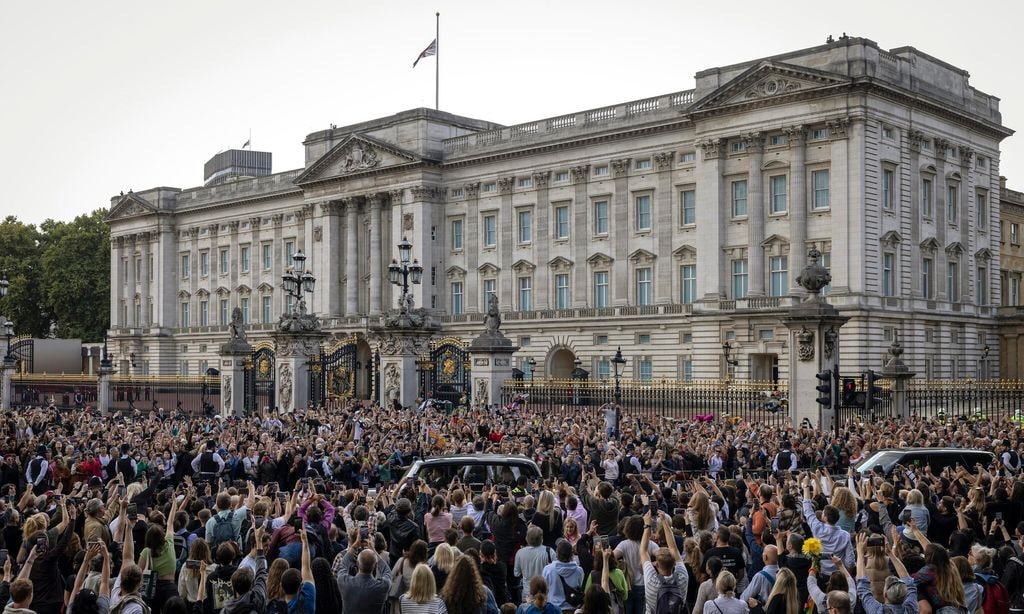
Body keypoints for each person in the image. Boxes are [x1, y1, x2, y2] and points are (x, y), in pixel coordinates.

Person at [640, 510, 687, 614]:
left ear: (656, 565)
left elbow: (643, 551)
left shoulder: (651, 582)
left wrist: (647, 525)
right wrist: (664, 521)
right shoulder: (682, 577)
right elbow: (674, 548)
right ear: (674, 563)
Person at [336, 548, 393, 614]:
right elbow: (387, 572)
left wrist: (354, 546)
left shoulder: (345, 582)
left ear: (357, 563)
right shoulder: (381, 586)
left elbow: (342, 566)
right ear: (375, 566)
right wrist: (374, 551)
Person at [515, 527, 556, 604]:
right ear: (541, 538)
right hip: (546, 594)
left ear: (527, 538)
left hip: (527, 593)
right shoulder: (549, 551)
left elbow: (516, 573)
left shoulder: (520, 553)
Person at [542, 541, 584, 613]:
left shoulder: (548, 569)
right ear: (571, 554)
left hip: (553, 609)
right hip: (572, 608)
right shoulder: (579, 570)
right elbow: (579, 586)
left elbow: (544, 588)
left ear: (557, 553)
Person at [280, 530, 314, 614]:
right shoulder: (308, 597)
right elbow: (306, 567)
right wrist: (305, 542)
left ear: (281, 586)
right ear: (300, 586)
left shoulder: (275, 608)